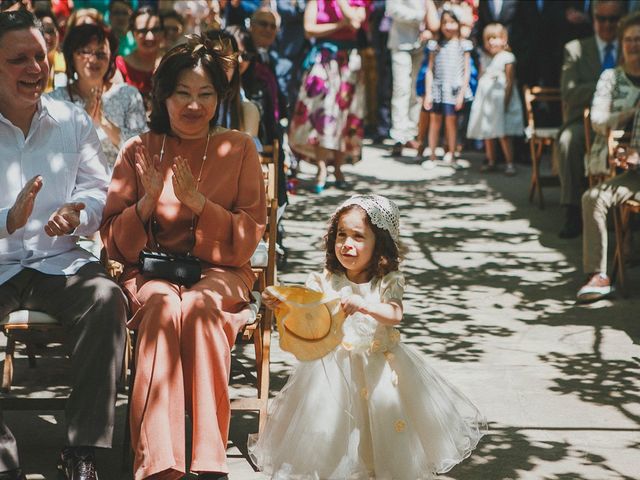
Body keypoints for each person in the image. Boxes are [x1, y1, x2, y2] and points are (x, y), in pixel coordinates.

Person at [100, 35, 266, 480]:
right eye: (183, 93)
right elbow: (114, 242)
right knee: (161, 307)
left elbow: (248, 238)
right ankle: (159, 463)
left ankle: (209, 461)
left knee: (198, 307)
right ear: (164, 96)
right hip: (152, 270)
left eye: (205, 94)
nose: (194, 105)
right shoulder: (139, 149)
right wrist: (145, 204)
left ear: (220, 97)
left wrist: (200, 206)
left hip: (221, 271)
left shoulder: (241, 148)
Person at [251, 194, 486, 478]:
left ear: (380, 244)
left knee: (379, 433)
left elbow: (395, 314)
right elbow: (307, 309)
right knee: (332, 432)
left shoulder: (388, 280)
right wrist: (282, 300)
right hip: (331, 375)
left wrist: (364, 305)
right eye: (341, 235)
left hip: (378, 371)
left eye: (358, 237)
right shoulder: (325, 280)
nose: (347, 244)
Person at [0, 9, 127, 480]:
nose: (35, 69)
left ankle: (82, 449)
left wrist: (79, 212)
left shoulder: (71, 120)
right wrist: (5, 220)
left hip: (60, 261)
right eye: (19, 60)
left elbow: (100, 191)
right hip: (1, 262)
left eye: (40, 56)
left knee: (106, 300)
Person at [577, 12, 640, 303]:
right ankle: (598, 274)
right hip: (621, 162)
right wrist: (630, 113)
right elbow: (599, 121)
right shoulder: (611, 77)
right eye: (628, 39)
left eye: (639, 39)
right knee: (593, 197)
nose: (634, 45)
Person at [557, 0, 627, 239]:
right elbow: (570, 93)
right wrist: (606, 84)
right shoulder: (575, 49)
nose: (607, 25)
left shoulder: (631, 46)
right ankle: (572, 211)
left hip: (625, 121)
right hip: (583, 120)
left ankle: (629, 213)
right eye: (601, 18)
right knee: (568, 141)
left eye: (613, 19)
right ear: (593, 19)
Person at [288, 0, 368, 193]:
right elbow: (309, 29)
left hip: (348, 62)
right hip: (324, 59)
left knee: (344, 115)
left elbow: (356, 23)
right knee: (322, 114)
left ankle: (338, 168)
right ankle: (322, 169)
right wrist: (339, 26)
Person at [48, 22, 147, 168]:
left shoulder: (128, 95)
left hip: (118, 184)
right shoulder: (55, 101)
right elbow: (50, 152)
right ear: (71, 56)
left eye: (101, 54)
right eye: (86, 52)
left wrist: (104, 122)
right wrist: (84, 120)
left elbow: (141, 150)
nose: (93, 60)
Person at [467, 23, 524, 176]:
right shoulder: (484, 57)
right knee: (488, 132)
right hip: (486, 102)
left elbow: (510, 81)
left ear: (504, 39)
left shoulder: (507, 57)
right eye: (489, 38)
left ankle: (509, 162)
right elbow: (481, 75)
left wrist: (506, 101)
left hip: (501, 100)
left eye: (496, 38)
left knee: (503, 134)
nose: (492, 42)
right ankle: (490, 160)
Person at [387, 0, 439, 157]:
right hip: (401, 43)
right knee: (401, 88)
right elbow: (393, 9)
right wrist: (422, 16)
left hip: (422, 44)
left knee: (416, 91)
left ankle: (411, 133)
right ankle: (398, 136)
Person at [422, 7, 472, 169]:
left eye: (452, 22)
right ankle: (432, 155)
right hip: (437, 88)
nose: (448, 26)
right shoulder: (435, 45)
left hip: (454, 90)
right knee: (434, 121)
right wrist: (428, 93)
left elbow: (466, 72)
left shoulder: (463, 45)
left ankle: (451, 153)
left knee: (452, 123)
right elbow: (429, 70)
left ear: (458, 24)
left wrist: (462, 93)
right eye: (445, 23)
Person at [116, 6, 164, 108]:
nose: (149, 37)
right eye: (143, 31)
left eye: (155, 30)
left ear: (163, 33)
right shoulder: (120, 66)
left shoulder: (171, 64)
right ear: (133, 34)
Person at [34, 7, 66, 92]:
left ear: (58, 34)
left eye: (50, 30)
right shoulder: (26, 67)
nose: (46, 36)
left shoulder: (69, 64)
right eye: (41, 31)